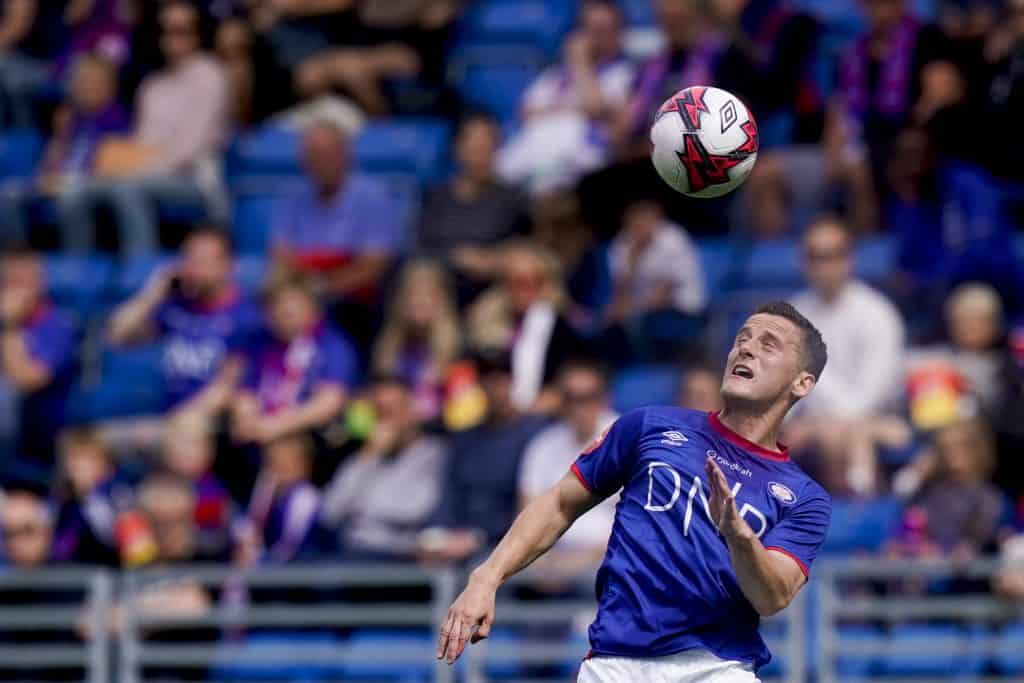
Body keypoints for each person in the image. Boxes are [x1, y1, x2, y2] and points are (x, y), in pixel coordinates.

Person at [436, 301, 832, 683]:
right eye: (742, 338)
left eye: (768, 344)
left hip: (719, 667)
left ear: (802, 382)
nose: (746, 348)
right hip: (617, 663)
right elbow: (559, 504)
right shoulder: (648, 425)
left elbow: (771, 597)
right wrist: (487, 577)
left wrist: (739, 537)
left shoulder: (805, 498)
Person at [56, 0, 230, 255]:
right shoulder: (152, 85)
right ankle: (78, 267)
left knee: (126, 188)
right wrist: (131, 165)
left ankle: (140, 263)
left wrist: (141, 169)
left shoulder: (210, 74)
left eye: (181, 31)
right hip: (148, 171)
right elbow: (142, 142)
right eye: (165, 30)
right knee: (74, 192)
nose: (172, 39)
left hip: (195, 179)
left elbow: (192, 147)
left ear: (198, 34)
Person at [785, 216, 907, 494]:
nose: (824, 266)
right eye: (815, 257)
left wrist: (822, 424)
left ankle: (858, 509)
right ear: (804, 262)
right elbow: (781, 391)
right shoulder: (790, 315)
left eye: (832, 255)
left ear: (849, 259)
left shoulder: (877, 313)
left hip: (878, 420)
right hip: (808, 425)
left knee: (844, 434)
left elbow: (870, 398)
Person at [270, 119, 404, 348]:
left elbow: (375, 265)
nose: (321, 163)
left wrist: (322, 286)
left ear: (347, 156)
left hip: (355, 303)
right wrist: (302, 288)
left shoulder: (372, 196)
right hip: (305, 289)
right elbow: (281, 254)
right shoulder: (293, 197)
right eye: (313, 156)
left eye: (328, 154)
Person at [108, 227, 260, 423]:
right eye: (188, 259)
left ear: (227, 265)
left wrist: (183, 421)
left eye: (202, 261)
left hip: (213, 420)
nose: (193, 269)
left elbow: (226, 386)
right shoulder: (176, 305)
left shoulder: (246, 316)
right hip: (169, 416)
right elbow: (118, 336)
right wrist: (153, 292)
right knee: (90, 437)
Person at [419, 349, 548, 564]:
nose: (495, 388)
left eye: (500, 379)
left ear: (512, 382)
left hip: (505, 545)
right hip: (457, 542)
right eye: (488, 380)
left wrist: (478, 537)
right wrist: (439, 534)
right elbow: (448, 496)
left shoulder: (536, 435)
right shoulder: (464, 440)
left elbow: (529, 505)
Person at [497, 0, 634, 194]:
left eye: (604, 30)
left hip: (580, 166)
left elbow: (595, 107)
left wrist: (581, 63)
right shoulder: (555, 75)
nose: (596, 38)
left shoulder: (625, 73)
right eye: (590, 30)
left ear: (619, 32)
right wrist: (576, 109)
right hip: (535, 156)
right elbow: (526, 112)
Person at [0, 53, 130, 242]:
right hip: (56, 183)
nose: (85, 87)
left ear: (110, 86)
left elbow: (110, 167)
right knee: (8, 194)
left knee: (70, 196)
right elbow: (49, 165)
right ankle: (17, 253)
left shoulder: (117, 118)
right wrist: (60, 138)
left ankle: (77, 257)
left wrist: (62, 181)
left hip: (90, 185)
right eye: (81, 81)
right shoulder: (72, 118)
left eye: (92, 81)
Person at [320, 375, 448, 561]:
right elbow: (330, 512)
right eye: (380, 413)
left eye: (392, 411)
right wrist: (369, 457)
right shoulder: (365, 456)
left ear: (412, 412)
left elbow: (415, 509)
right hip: (353, 553)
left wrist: (361, 508)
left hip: (401, 557)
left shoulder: (434, 454)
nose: (386, 422)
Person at [518, 360, 617, 593]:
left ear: (603, 399)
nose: (579, 407)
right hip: (550, 557)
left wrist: (580, 562)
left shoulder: (623, 439)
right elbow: (527, 512)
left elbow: (637, 520)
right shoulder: (543, 445)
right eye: (571, 398)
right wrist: (540, 559)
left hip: (607, 556)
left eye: (588, 397)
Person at [232, 274, 357, 447]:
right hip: (260, 432)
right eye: (277, 306)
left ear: (314, 309)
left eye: (293, 306)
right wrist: (246, 418)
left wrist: (277, 426)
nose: (284, 312)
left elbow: (330, 401)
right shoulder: (259, 342)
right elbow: (245, 390)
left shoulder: (332, 345)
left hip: (306, 436)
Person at [418, 114, 530, 300]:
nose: (482, 157)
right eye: (476, 149)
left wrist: (496, 259)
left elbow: (528, 246)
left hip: (497, 290)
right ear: (457, 150)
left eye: (489, 149)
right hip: (442, 287)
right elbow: (421, 247)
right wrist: (458, 258)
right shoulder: (436, 199)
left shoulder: (513, 199)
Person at [465, 241, 586, 412]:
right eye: (518, 282)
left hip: (544, 413)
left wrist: (553, 396)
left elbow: (574, 373)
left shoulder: (560, 325)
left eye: (535, 281)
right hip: (496, 412)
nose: (526, 290)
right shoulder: (486, 325)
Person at [0, 246, 77, 483]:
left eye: (26, 281)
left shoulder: (58, 326)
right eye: (12, 282)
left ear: (41, 282)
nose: (18, 290)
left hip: (41, 431)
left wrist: (10, 325)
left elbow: (26, 380)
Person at [605, 199, 706, 361]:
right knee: (608, 326)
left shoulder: (673, 238)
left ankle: (648, 364)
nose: (640, 226)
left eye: (645, 220)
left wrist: (632, 309)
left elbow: (666, 292)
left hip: (681, 308)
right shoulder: (623, 243)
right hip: (642, 309)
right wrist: (632, 260)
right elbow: (620, 290)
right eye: (635, 222)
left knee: (637, 322)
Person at [371, 260, 461, 421]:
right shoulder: (386, 347)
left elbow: (462, 410)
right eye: (412, 294)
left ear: (442, 301)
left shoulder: (459, 350)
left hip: (439, 429)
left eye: (428, 294)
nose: (419, 301)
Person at [235, 432, 321, 566]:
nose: (278, 470)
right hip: (269, 564)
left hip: (299, 567)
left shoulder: (306, 497)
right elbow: (251, 527)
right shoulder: (267, 489)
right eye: (274, 463)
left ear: (304, 465)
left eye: (287, 464)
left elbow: (289, 547)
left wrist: (258, 560)